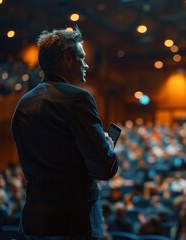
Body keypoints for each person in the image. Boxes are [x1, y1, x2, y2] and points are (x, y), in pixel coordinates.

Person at [11, 27, 120, 239]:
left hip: (35, 222)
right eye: (81, 57)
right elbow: (104, 168)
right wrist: (107, 146)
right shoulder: (79, 99)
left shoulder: (23, 104)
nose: (86, 64)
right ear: (67, 59)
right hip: (74, 223)